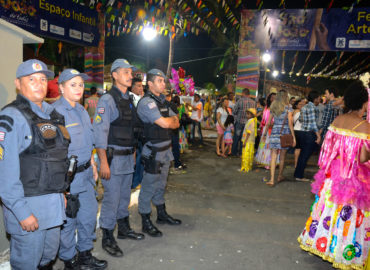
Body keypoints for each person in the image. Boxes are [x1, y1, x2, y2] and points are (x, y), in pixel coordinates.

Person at [0, 59, 67, 269]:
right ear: (18, 84)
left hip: (53, 208)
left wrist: (62, 194)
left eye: (42, 79)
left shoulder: (54, 115)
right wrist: (21, 212)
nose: (39, 84)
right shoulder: (11, 117)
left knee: (48, 258)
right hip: (29, 211)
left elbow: (58, 159)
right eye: (32, 79)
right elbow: (5, 173)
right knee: (27, 263)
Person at [298, 81, 370, 269]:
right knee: (348, 217)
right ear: (364, 103)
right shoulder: (364, 126)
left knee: (330, 213)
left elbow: (327, 151)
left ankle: (325, 243)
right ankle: (343, 252)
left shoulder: (337, 121)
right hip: (353, 180)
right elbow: (362, 157)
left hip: (332, 178)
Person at [53, 69, 107, 269]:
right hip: (68, 178)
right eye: (73, 84)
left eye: (81, 84)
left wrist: (93, 163)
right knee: (69, 221)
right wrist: (61, 186)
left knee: (88, 215)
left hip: (86, 175)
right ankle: (69, 261)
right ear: (61, 87)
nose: (78, 88)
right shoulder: (55, 113)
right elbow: (53, 153)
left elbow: (88, 142)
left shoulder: (82, 110)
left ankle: (85, 255)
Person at [93, 59, 144, 258]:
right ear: (115, 75)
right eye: (125, 72)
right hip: (112, 159)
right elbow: (100, 132)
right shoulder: (107, 100)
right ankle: (107, 236)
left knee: (124, 196)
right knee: (111, 199)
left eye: (130, 73)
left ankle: (123, 229)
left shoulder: (129, 99)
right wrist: (103, 161)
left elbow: (131, 130)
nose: (130, 76)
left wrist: (132, 154)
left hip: (126, 158)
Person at [136, 69, 182, 238]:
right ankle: (145, 219)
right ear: (150, 83)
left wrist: (170, 122)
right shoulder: (146, 102)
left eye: (164, 81)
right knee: (149, 186)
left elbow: (177, 121)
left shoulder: (161, 102)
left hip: (165, 150)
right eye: (160, 81)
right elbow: (164, 123)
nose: (164, 84)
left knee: (161, 184)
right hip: (153, 151)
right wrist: (169, 122)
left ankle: (161, 213)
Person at [263, 90, 295, 186]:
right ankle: (279, 176)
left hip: (274, 133)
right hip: (284, 134)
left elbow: (268, 122)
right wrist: (293, 136)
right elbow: (290, 123)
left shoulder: (274, 107)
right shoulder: (289, 108)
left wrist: (264, 134)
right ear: (286, 97)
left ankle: (272, 179)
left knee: (273, 157)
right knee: (282, 157)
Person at [294, 90, 321, 181]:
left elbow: (301, 120)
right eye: (318, 98)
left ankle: (298, 174)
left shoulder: (304, 107)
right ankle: (299, 176)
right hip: (309, 133)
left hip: (302, 132)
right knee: (305, 156)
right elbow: (313, 123)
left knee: (302, 155)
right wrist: (318, 136)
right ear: (315, 99)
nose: (319, 100)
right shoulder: (313, 108)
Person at [129, 78, 145, 189]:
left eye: (142, 86)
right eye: (139, 86)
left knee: (139, 159)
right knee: (136, 160)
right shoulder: (131, 98)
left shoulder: (138, 98)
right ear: (132, 87)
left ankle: (137, 181)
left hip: (139, 135)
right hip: (134, 135)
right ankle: (134, 183)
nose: (141, 88)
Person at [231, 88, 256, 157]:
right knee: (245, 138)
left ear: (243, 93)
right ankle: (242, 152)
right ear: (249, 94)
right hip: (248, 123)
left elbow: (234, 111)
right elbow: (254, 113)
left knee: (236, 137)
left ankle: (234, 152)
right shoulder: (253, 102)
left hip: (239, 122)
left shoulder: (240, 101)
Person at [255, 93, 277, 168]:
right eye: (272, 97)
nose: (273, 99)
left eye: (275, 97)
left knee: (268, 145)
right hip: (265, 128)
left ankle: (268, 162)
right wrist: (260, 128)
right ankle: (261, 160)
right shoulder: (266, 107)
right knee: (262, 144)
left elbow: (275, 120)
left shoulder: (276, 108)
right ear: (269, 98)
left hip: (271, 129)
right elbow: (263, 119)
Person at [240, 108, 257, 172]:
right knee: (247, 153)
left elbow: (249, 133)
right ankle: (246, 166)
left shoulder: (251, 121)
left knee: (246, 153)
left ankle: (246, 166)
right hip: (249, 141)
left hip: (248, 141)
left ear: (252, 115)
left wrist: (245, 141)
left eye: (248, 114)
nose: (247, 115)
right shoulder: (251, 120)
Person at [293, 98, 306, 168]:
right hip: (298, 131)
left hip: (298, 130)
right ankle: (296, 164)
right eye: (300, 104)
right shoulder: (297, 112)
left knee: (299, 148)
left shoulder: (295, 111)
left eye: (303, 104)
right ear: (296, 105)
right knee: (298, 149)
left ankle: (297, 164)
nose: (302, 105)